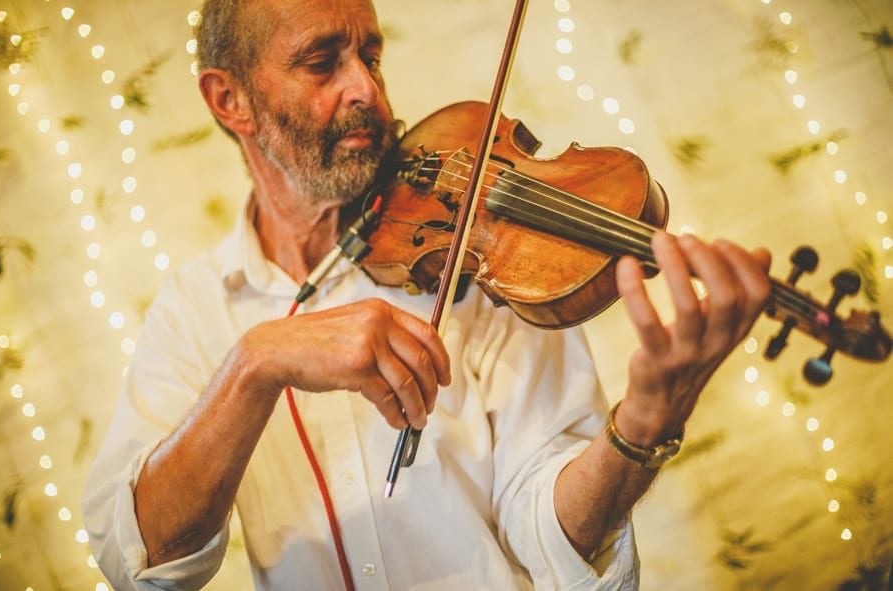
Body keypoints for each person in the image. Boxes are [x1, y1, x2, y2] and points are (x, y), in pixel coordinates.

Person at [82, 0, 772, 589]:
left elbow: (550, 530)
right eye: (323, 62)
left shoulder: (475, 248)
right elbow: (140, 561)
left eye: (370, 56)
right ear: (230, 100)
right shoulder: (193, 310)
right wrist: (255, 363)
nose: (367, 90)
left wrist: (643, 425)